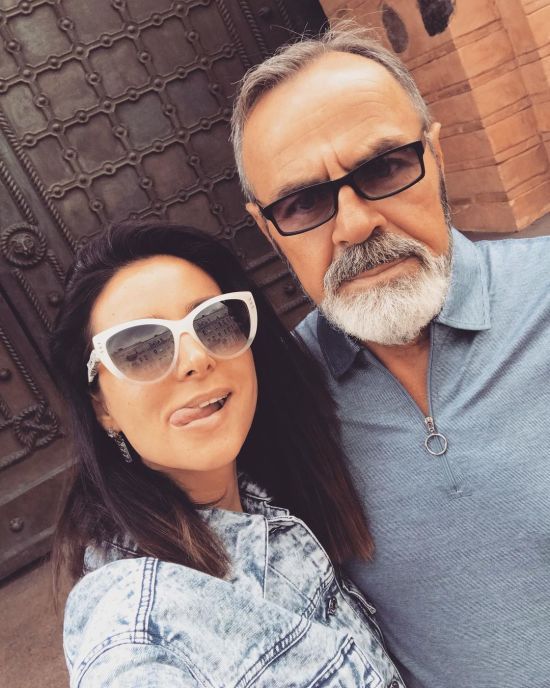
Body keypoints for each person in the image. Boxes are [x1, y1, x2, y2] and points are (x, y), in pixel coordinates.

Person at [231, 23, 550, 688]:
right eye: (303, 202)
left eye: (384, 168)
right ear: (268, 229)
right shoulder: (279, 399)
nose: (355, 225)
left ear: (436, 155)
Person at [51, 222, 406, 687]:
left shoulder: (269, 495)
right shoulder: (136, 627)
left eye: (214, 322)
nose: (196, 358)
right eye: (140, 348)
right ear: (102, 408)